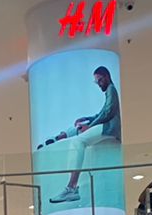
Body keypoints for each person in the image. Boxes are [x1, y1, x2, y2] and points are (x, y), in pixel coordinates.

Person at [47, 66, 121, 205]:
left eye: (99, 80)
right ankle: (59, 136)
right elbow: (102, 112)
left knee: (78, 141)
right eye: (96, 81)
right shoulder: (109, 91)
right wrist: (87, 119)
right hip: (107, 126)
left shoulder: (111, 89)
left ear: (106, 76)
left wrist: (90, 126)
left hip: (110, 128)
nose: (98, 84)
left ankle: (71, 187)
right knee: (80, 127)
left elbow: (108, 113)